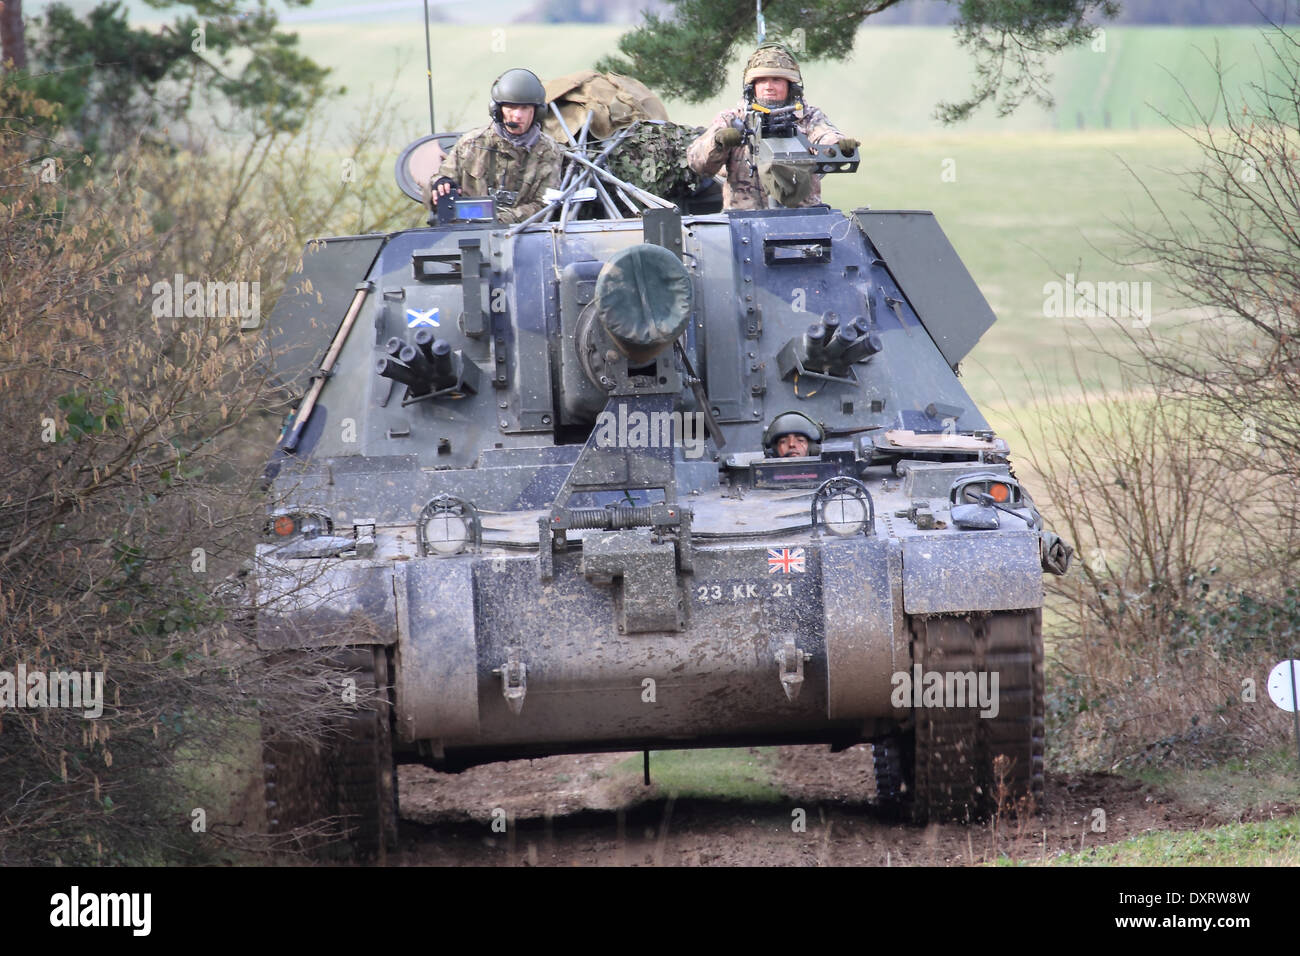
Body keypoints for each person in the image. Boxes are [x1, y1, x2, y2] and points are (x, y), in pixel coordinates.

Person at [687, 43, 858, 210]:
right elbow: (698, 164)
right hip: (745, 223)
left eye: (776, 80)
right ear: (752, 87)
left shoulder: (808, 117)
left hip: (801, 219)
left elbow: (825, 135)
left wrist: (839, 147)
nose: (768, 87)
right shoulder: (733, 119)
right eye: (761, 80)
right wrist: (717, 143)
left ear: (790, 85)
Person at [431, 68, 564, 224]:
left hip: (523, 235)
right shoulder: (471, 144)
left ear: (537, 112)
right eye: (511, 107)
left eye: (525, 108)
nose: (517, 115)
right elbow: (444, 178)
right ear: (498, 110)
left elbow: (544, 205)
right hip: (468, 232)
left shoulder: (549, 151)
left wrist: (500, 220)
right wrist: (441, 183)